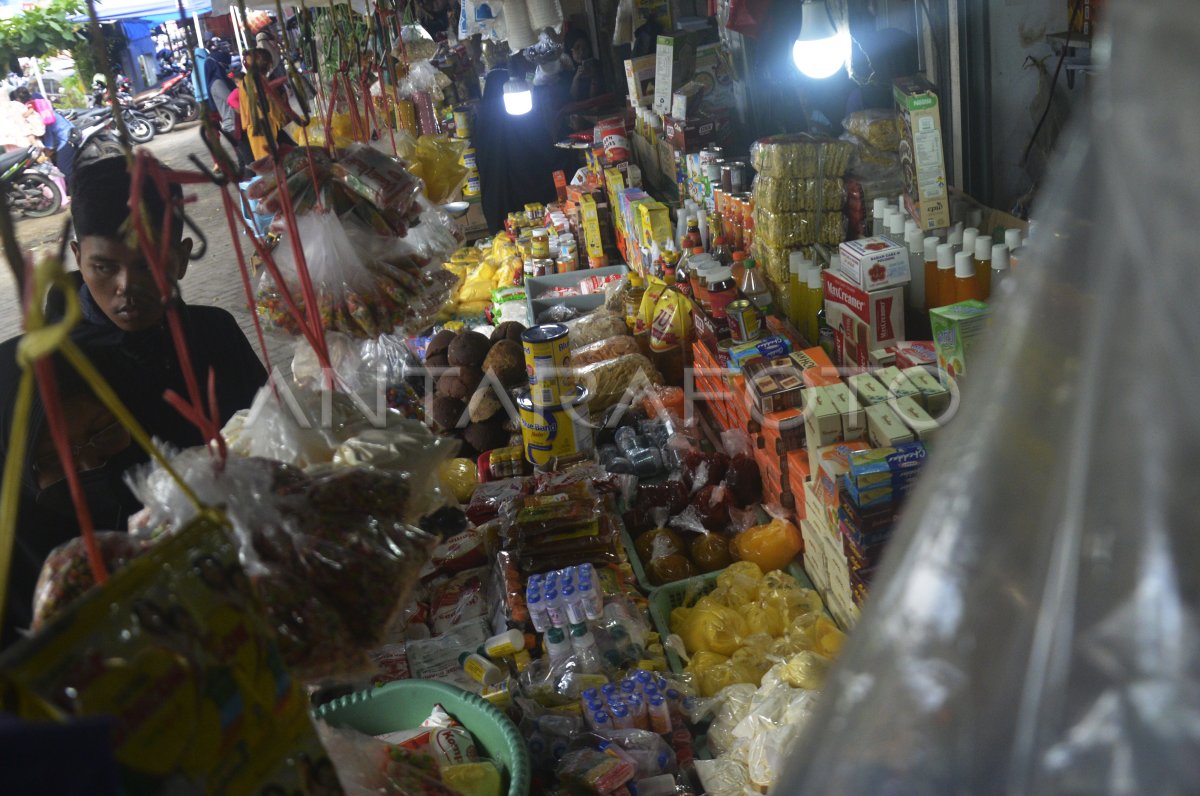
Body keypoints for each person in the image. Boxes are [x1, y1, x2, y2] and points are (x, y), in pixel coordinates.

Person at [0, 155, 267, 648]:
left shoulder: (216, 333)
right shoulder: (58, 378)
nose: (128, 288)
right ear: (78, 257)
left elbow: (270, 443)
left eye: (150, 263)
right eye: (105, 267)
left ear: (182, 256)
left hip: (252, 576)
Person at [234, 48, 295, 162]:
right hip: (261, 130)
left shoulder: (259, 78)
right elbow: (262, 91)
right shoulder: (250, 79)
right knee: (271, 165)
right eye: (268, 63)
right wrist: (283, 79)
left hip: (272, 127)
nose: (270, 66)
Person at [11, 86, 77, 188]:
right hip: (70, 131)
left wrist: (46, 152)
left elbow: (48, 134)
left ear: (18, 100)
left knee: (64, 169)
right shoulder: (38, 104)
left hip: (65, 139)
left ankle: (76, 190)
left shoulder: (34, 113)